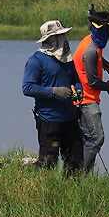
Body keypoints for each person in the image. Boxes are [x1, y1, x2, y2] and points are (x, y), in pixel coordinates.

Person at [22, 20, 83, 173]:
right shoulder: (36, 61)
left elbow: (76, 80)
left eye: (64, 35)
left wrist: (78, 91)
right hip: (49, 119)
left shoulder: (67, 60)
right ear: (50, 39)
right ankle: (24, 173)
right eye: (60, 36)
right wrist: (54, 91)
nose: (64, 39)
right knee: (49, 161)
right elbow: (27, 88)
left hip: (69, 117)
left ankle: (72, 191)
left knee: (75, 160)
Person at [74, 11, 109, 172]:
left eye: (108, 29)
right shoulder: (90, 50)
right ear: (94, 28)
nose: (105, 32)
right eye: (102, 29)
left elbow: (97, 59)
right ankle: (83, 176)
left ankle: (76, 173)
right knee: (96, 138)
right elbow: (92, 81)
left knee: (87, 138)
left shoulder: (92, 43)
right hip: (85, 100)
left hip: (87, 97)